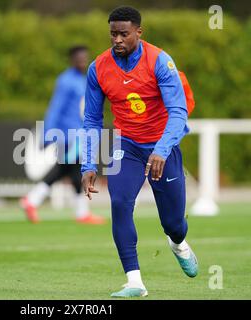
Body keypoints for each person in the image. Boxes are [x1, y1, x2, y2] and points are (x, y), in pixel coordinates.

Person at [81, 6, 198, 298]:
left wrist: (161, 149)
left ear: (138, 32)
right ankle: (135, 282)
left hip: (163, 146)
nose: (117, 40)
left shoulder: (160, 61)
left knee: (173, 223)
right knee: (119, 203)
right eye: (113, 34)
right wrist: (87, 165)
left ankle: (178, 243)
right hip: (127, 145)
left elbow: (178, 112)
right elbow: (92, 120)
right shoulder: (98, 67)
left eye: (123, 34)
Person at [20, 46, 106, 225]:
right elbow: (55, 108)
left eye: (85, 58)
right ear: (72, 60)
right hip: (67, 135)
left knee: (70, 170)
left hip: (78, 134)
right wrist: (47, 134)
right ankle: (33, 200)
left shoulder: (83, 80)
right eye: (79, 59)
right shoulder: (66, 81)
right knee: (67, 169)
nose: (83, 62)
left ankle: (78, 212)